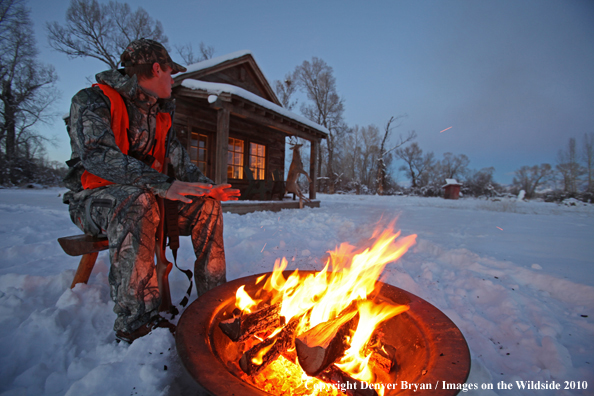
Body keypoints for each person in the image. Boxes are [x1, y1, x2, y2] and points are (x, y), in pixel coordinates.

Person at [62, 38, 240, 342]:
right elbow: (98, 158)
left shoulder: (160, 115)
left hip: (146, 200)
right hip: (92, 203)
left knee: (206, 206)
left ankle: (215, 303)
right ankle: (136, 323)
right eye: (170, 72)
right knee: (138, 200)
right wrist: (163, 185)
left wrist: (208, 190)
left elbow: (181, 164)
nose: (172, 80)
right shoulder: (91, 101)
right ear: (156, 68)